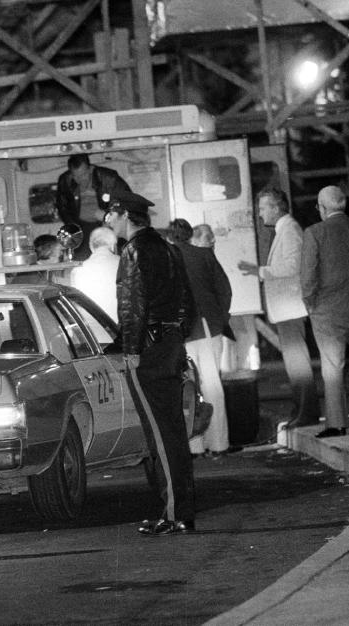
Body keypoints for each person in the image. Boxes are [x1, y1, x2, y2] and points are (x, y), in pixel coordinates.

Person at [107, 193, 196, 536]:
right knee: (172, 432)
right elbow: (187, 299)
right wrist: (176, 336)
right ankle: (176, 510)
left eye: (111, 215)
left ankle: (176, 514)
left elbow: (133, 305)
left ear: (125, 215)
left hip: (149, 349)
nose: (107, 222)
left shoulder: (134, 251)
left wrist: (131, 350)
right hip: (169, 342)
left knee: (160, 436)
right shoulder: (167, 248)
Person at [238, 187, 319, 429]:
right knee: (295, 363)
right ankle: (301, 410)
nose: (261, 214)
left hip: (290, 308)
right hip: (286, 309)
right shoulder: (284, 229)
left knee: (298, 364)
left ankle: (306, 413)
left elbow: (293, 266)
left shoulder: (290, 229)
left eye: (263, 208)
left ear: (276, 207)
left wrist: (260, 271)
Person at [169, 219, 233, 457]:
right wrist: (220, 316)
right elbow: (224, 290)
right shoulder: (204, 255)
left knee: (187, 389)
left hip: (179, 333)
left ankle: (194, 446)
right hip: (208, 327)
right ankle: (219, 444)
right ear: (189, 236)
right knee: (213, 385)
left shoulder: (164, 261)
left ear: (170, 238)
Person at [301, 186, 349, 438]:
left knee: (332, 367)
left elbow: (308, 273)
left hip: (327, 309)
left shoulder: (314, 233)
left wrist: (310, 302)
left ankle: (337, 423)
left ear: (322, 208)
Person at [56, 153, 131, 261]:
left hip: (107, 225)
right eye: (75, 176)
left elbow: (127, 201)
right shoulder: (65, 180)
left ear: (90, 168)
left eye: (83, 174)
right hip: (81, 227)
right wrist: (73, 227)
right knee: (82, 259)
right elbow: (62, 207)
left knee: (111, 256)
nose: (79, 179)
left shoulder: (109, 177)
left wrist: (107, 216)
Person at [69, 226, 119, 322]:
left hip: (95, 327)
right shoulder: (125, 264)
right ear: (113, 245)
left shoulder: (78, 270)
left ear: (91, 246)